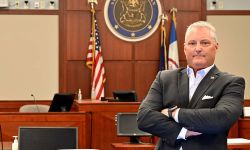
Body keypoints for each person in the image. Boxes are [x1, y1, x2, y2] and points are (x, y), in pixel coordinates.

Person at [137, 21, 245, 150]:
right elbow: (144, 118)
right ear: (184, 48)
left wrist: (173, 113)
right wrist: (182, 132)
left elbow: (221, 118)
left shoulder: (231, 82)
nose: (198, 48)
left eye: (205, 43)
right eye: (192, 43)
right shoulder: (164, 78)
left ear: (216, 47)